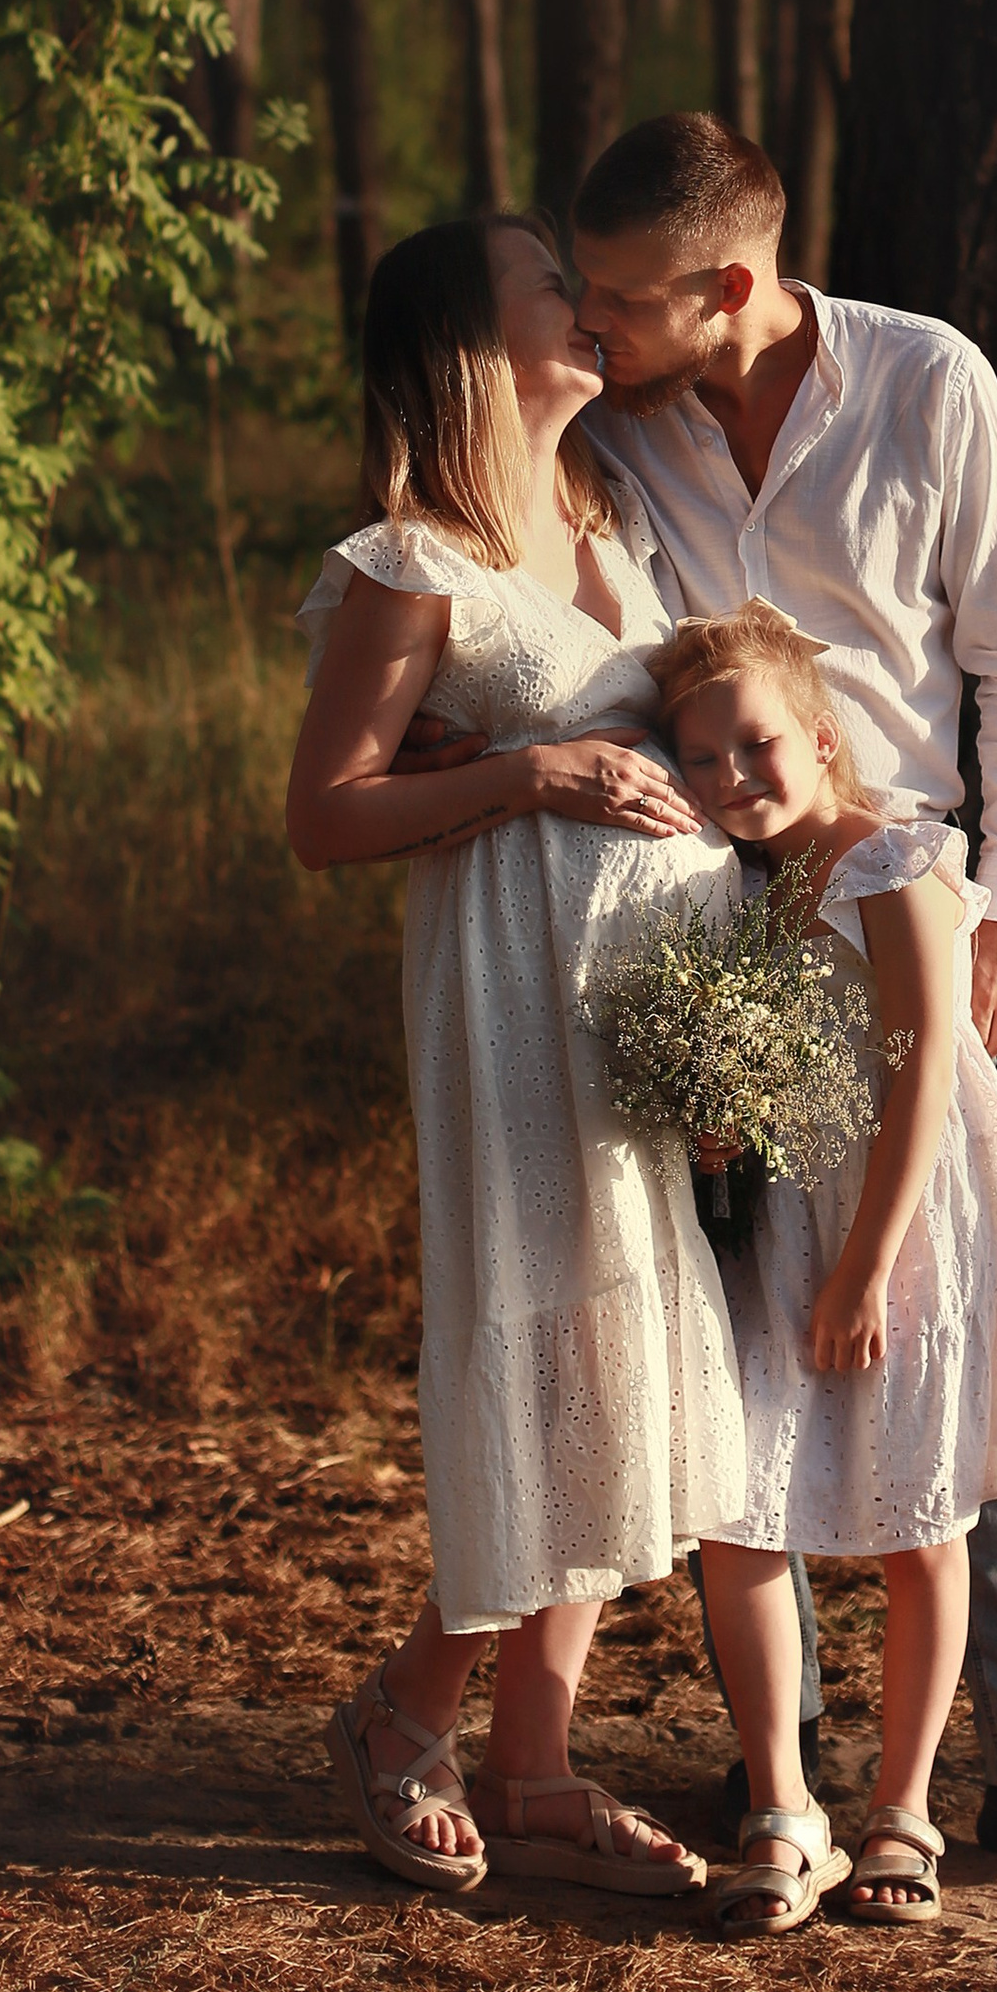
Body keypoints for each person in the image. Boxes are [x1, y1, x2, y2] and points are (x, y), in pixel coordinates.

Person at [569, 110, 997, 1895]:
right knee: (747, 1312)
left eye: (622, 299)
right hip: (717, 931)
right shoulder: (617, 427)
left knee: (949, 1313)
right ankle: (784, 1761)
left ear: (732, 284)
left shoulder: (926, 384)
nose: (594, 326)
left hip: (911, 907)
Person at [286, 212, 746, 1899]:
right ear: (482, 340)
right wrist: (522, 776)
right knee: (549, 1347)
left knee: (619, 1355)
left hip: (639, 998)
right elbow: (322, 814)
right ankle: (407, 1718)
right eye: (555, 282)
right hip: (506, 994)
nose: (588, 301)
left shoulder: (607, 517)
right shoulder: (416, 563)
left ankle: (534, 1758)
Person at [658, 605, 997, 1936]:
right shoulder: (737, 883)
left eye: (756, 744)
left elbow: (921, 1081)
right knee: (736, 1500)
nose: (731, 777)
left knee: (921, 1509)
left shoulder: (895, 863)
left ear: (822, 736)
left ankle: (904, 1806)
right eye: (701, 758)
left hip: (901, 1218)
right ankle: (786, 1802)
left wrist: (865, 1267)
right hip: (786, 1208)